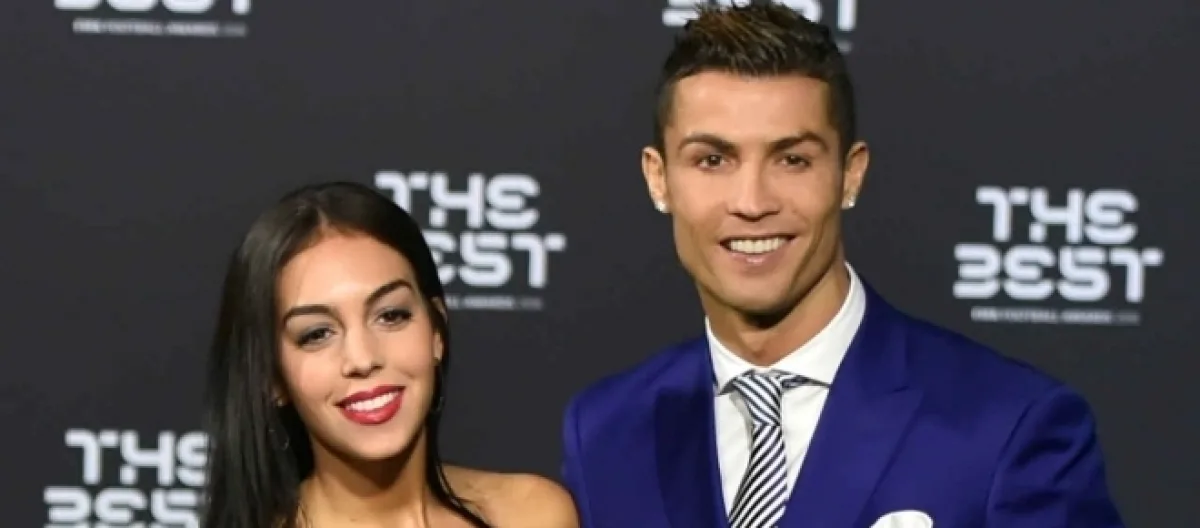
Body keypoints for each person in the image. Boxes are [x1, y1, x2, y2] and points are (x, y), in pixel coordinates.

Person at [559, 4, 1125, 528]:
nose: (752, 202)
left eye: (792, 159)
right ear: (658, 179)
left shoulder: (1009, 425)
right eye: (712, 160)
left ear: (849, 175)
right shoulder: (606, 430)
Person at [202, 182, 578, 528]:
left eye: (390, 315)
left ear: (436, 330)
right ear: (272, 378)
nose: (363, 359)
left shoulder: (533, 514)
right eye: (317, 334)